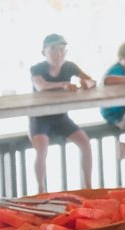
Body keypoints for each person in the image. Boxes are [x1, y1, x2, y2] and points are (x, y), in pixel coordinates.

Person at [29, 33, 95, 193]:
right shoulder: (37, 68)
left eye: (61, 49)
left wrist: (86, 84)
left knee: (85, 143)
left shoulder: (70, 67)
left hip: (61, 117)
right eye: (53, 50)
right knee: (42, 149)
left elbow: (92, 81)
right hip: (40, 118)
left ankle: (88, 187)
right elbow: (41, 86)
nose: (58, 54)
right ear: (44, 52)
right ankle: (41, 190)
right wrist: (64, 84)